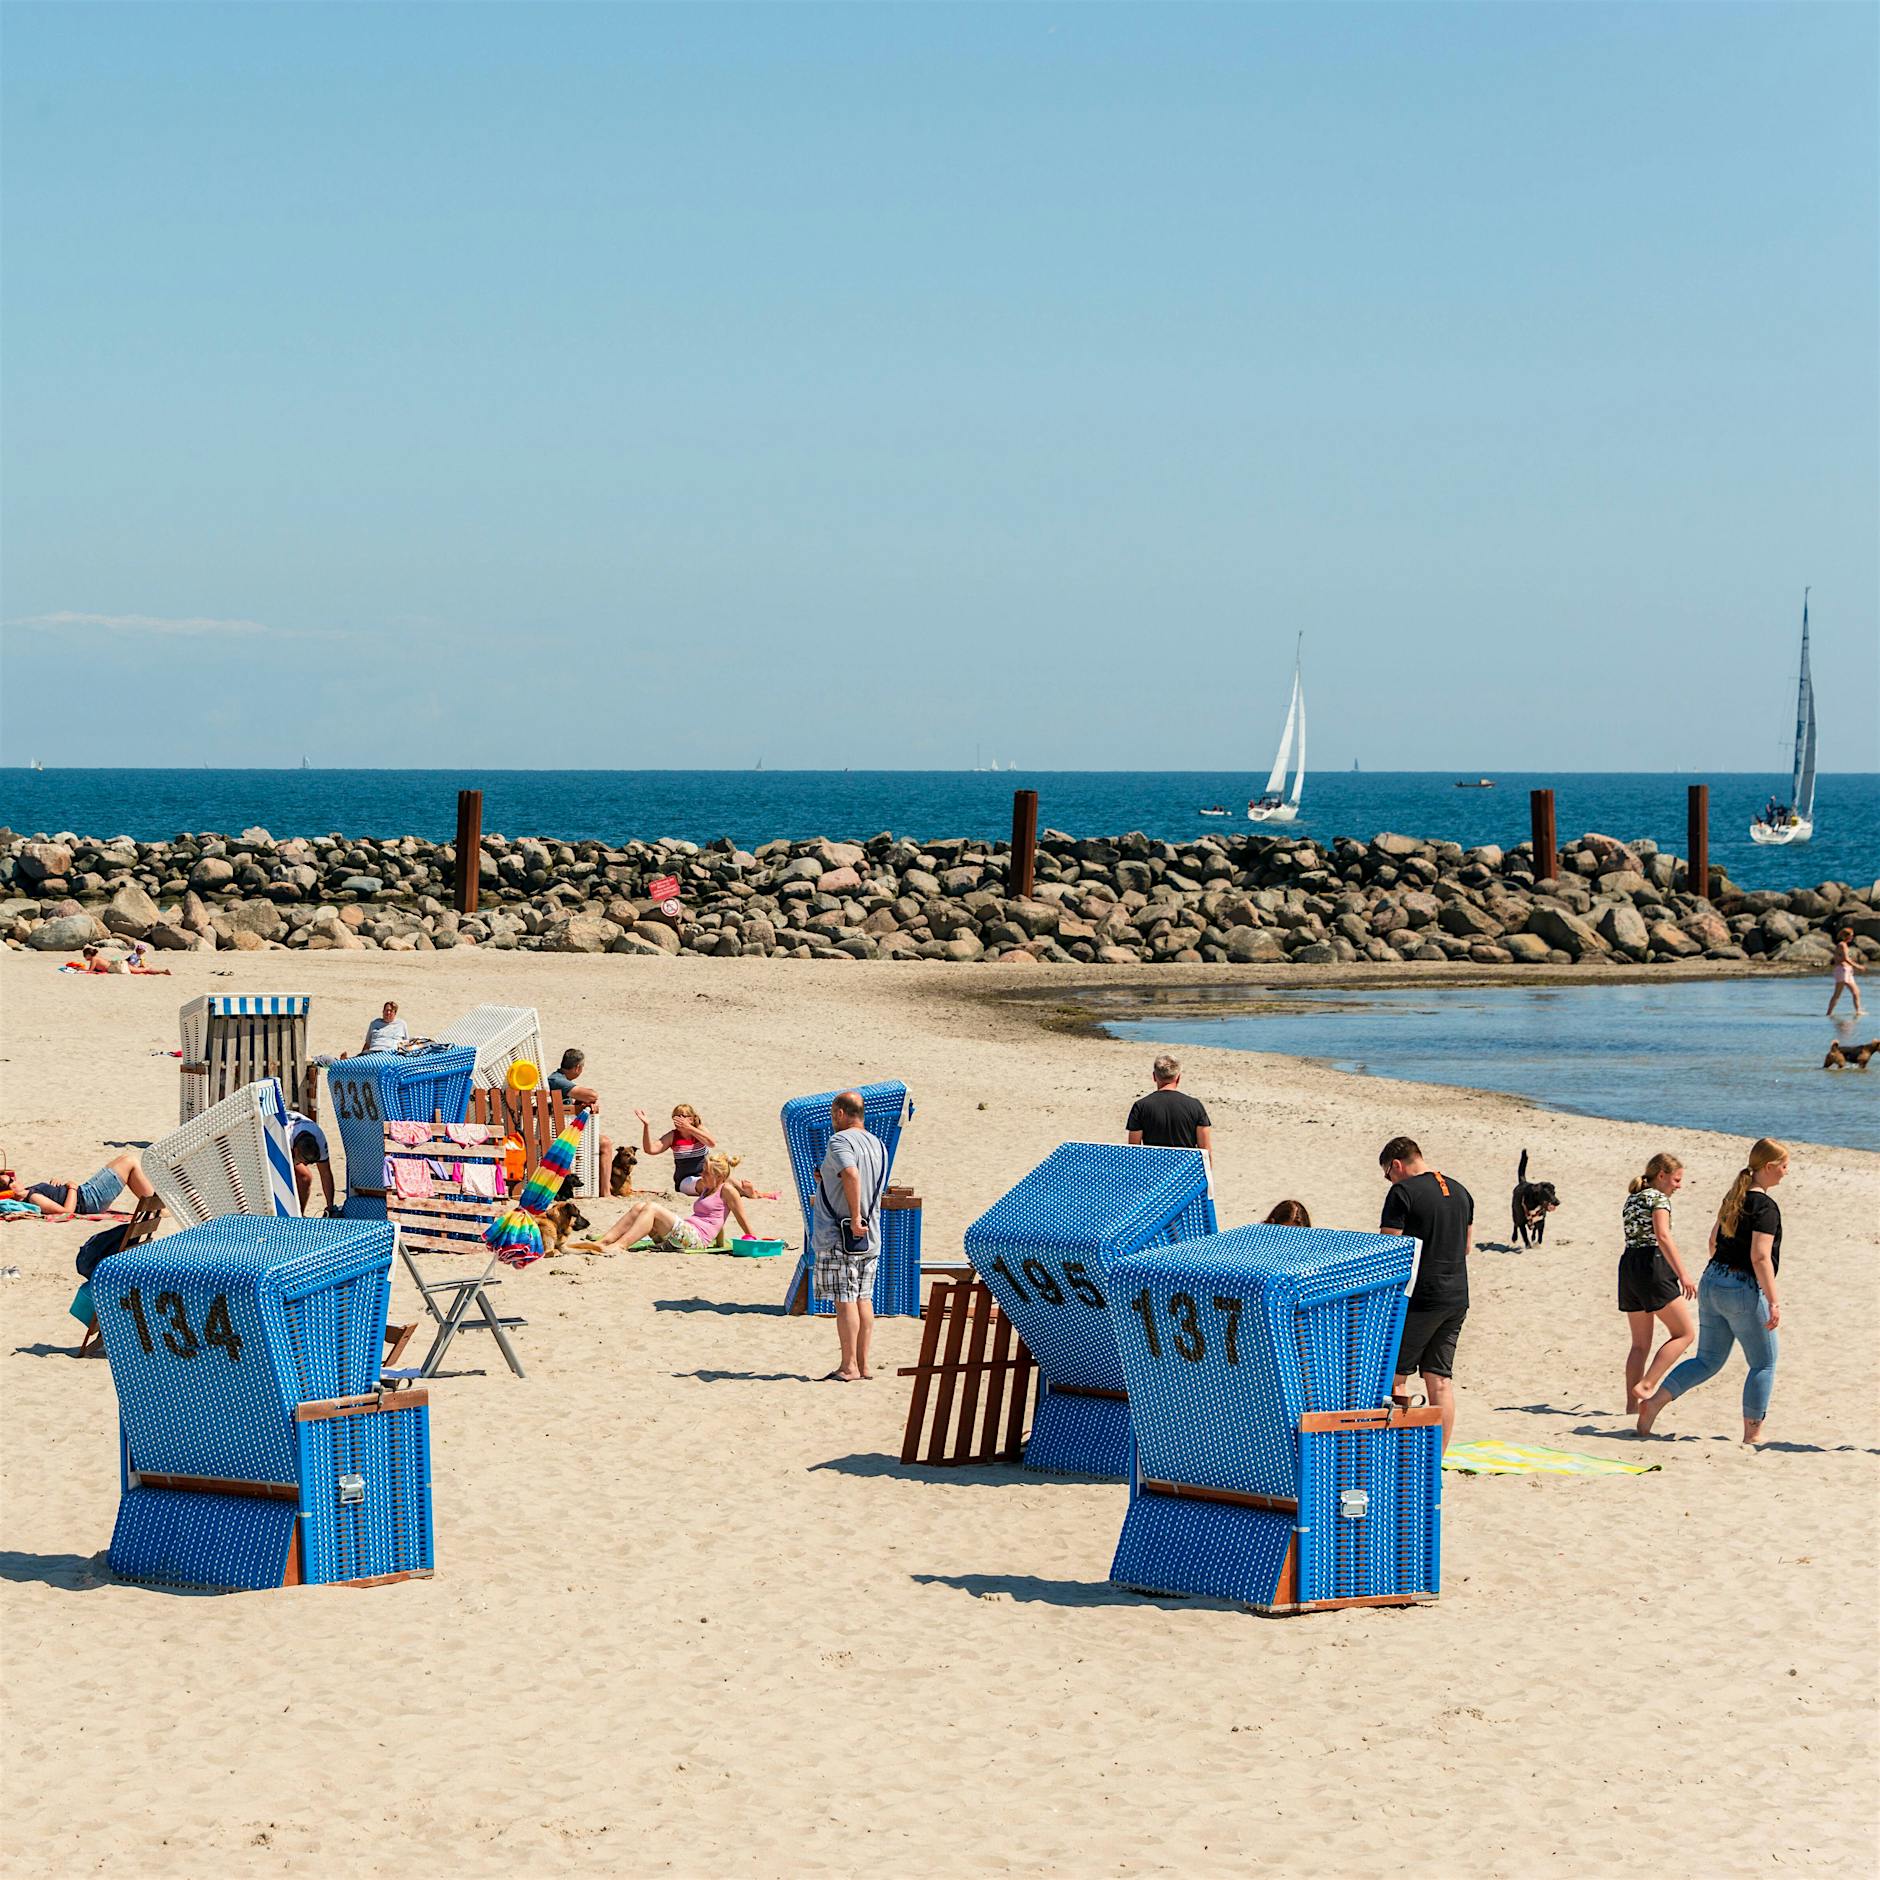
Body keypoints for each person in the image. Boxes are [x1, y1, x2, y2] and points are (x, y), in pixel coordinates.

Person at [1637, 1139, 1788, 1445]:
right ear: (1769, 1167)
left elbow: (1713, 1243)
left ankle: (1653, 1404)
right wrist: (1773, 1301)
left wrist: (1723, 1277)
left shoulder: (1734, 1197)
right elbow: (1760, 1257)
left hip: (1712, 1280)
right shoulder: (1766, 1207)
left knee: (1707, 1360)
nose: (1786, 1172)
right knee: (1764, 1363)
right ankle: (1753, 1434)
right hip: (1742, 1286)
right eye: (1784, 1166)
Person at [1377, 1135, 1475, 1448]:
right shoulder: (1461, 1191)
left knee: (1396, 1378)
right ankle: (1438, 1459)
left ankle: (1397, 1450)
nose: (1389, 1181)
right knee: (1440, 1380)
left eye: (1387, 1175)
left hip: (1420, 1298)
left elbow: (1389, 1250)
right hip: (1456, 1295)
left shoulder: (1402, 1192)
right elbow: (1467, 1247)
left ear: (1396, 1165)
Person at [812, 1090, 889, 1383]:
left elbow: (852, 1174)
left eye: (833, 1114)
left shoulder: (840, 1140)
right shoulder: (878, 1144)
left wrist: (855, 1217)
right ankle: (864, 1365)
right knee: (863, 1298)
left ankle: (849, 1367)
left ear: (840, 1113)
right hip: (871, 1234)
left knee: (845, 1299)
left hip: (840, 1234)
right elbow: (863, 1179)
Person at [1618, 1152, 1697, 1411]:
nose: (1679, 1186)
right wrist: (1684, 1275)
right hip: (1653, 1265)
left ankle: (1631, 1406)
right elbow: (1662, 1236)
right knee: (1684, 1333)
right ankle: (1648, 1384)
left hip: (1629, 1266)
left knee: (1639, 1345)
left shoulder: (1632, 1198)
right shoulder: (1658, 1199)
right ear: (1661, 1175)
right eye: (1676, 1180)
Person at [593, 1152, 756, 1253]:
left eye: (706, 1172)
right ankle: (605, 1241)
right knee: (639, 1207)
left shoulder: (727, 1190)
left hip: (695, 1239)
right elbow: (716, 1218)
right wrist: (719, 1241)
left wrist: (752, 1238)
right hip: (684, 1234)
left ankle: (620, 1246)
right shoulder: (707, 1188)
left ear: (719, 1177)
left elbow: (740, 1217)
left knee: (652, 1208)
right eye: (703, 1170)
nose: (702, 1174)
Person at [547, 1049, 614, 1196]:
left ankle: (604, 1189)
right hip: (562, 1133)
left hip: (563, 1129)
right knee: (605, 1143)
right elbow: (592, 1095)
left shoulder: (559, 1080)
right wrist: (587, 1100)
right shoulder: (557, 1081)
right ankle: (605, 1192)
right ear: (578, 1067)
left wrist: (580, 1103)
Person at [21, 1152, 155, 1223]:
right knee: (129, 1161)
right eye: (11, 1182)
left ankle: (154, 1204)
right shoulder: (33, 1197)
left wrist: (55, 1187)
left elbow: (54, 1199)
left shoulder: (29, 1191)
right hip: (89, 1201)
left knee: (124, 1158)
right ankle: (156, 1206)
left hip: (85, 1193)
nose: (14, 1179)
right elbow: (66, 1212)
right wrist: (72, 1188)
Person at [1125, 1056, 1213, 1155]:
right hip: (1185, 1164)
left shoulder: (1140, 1106)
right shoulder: (1195, 1105)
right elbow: (1205, 1149)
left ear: (1154, 1076)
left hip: (1154, 1163)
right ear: (1178, 1078)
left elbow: (1134, 1149)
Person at [636, 1103, 716, 1191]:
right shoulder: (672, 1136)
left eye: (682, 1116)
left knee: (722, 1180)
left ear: (691, 1119)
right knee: (705, 1184)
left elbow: (712, 1143)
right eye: (675, 1116)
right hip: (685, 1180)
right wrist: (646, 1125)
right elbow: (650, 1150)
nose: (677, 1119)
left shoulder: (699, 1129)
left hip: (705, 1175)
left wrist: (690, 1128)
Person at [287, 1110, 337, 1215]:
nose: (305, 1165)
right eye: (304, 1161)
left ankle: (299, 1215)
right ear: (295, 1150)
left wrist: (330, 1206)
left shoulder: (319, 1137)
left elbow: (325, 1173)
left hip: (294, 1130)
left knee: (305, 1178)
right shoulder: (285, 1138)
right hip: (269, 1135)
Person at [1827, 928, 1863, 1018]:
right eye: (1851, 936)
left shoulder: (1844, 945)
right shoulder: (1842, 945)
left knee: (1856, 992)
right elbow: (1845, 958)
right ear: (1846, 936)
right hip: (1842, 971)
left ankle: (1858, 1011)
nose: (1852, 937)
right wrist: (1857, 966)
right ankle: (1829, 1013)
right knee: (1837, 994)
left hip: (1847, 971)